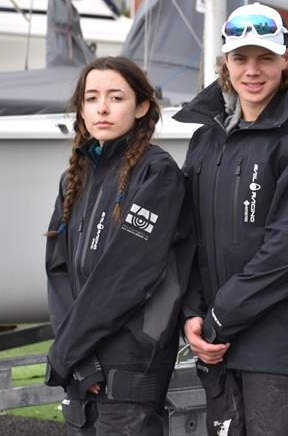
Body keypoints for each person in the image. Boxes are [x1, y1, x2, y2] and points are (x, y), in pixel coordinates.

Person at [173, 3, 288, 436]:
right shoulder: (206, 140)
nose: (253, 70)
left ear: (287, 60)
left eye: (265, 58)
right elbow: (187, 238)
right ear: (225, 65)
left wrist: (215, 321)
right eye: (241, 58)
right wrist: (191, 313)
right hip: (218, 346)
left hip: (280, 351)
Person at [44, 56, 196, 435]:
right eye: (92, 98)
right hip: (82, 366)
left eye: (116, 97)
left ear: (141, 106)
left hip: (131, 364)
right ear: (81, 109)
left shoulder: (158, 174)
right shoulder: (73, 178)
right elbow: (58, 270)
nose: (103, 108)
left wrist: (69, 352)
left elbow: (127, 275)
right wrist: (75, 358)